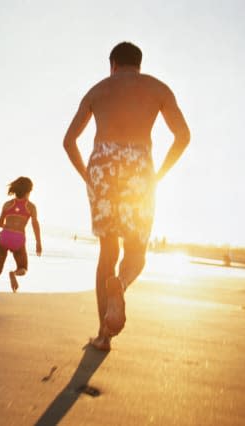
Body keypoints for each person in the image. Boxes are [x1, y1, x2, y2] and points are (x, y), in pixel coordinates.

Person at [63, 41, 190, 351]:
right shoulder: (158, 88)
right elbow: (183, 136)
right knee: (136, 250)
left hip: (102, 164)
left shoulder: (97, 90)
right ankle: (120, 285)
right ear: (139, 65)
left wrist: (88, 176)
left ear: (113, 65)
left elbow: (68, 142)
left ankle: (102, 335)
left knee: (107, 252)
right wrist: (157, 174)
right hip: (139, 165)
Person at [0, 177, 42, 304]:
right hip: (18, 239)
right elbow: (35, 224)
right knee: (23, 268)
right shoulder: (31, 207)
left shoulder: (7, 204)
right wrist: (38, 242)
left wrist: (8, 228)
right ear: (28, 191)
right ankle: (13, 273)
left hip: (5, 237)